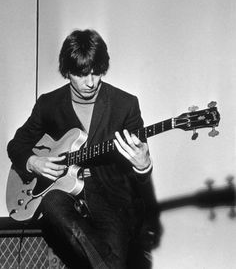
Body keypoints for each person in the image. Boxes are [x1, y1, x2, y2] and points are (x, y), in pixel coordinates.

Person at [7, 29, 159, 269]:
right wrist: (33, 162)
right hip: (63, 194)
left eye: (97, 72)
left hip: (110, 196)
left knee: (113, 262)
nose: (91, 82)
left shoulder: (125, 104)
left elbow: (139, 167)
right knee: (50, 203)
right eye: (81, 74)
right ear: (67, 71)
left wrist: (144, 166)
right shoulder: (49, 104)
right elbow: (16, 145)